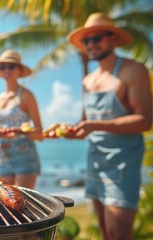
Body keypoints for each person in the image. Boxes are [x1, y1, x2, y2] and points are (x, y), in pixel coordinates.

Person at [66, 13, 152, 240]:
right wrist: (71, 131)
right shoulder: (88, 80)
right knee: (105, 231)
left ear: (113, 38)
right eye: (86, 41)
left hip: (123, 163)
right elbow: (87, 123)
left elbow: (144, 120)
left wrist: (93, 125)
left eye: (97, 38)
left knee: (118, 234)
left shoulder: (133, 71)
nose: (91, 44)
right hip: (95, 160)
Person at [0, 50, 43, 189]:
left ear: (19, 70)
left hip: (24, 151)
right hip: (3, 153)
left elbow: (39, 132)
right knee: (5, 204)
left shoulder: (26, 95)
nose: (6, 70)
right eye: (3, 66)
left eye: (11, 66)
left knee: (24, 202)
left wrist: (22, 131)